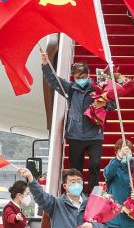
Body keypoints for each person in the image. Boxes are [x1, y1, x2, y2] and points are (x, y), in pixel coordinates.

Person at [41, 54, 115, 192]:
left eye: (83, 76)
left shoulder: (98, 88)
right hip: (75, 134)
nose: (80, 79)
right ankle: (77, 193)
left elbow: (113, 103)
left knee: (95, 163)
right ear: (73, 77)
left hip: (94, 134)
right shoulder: (70, 88)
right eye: (77, 77)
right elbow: (53, 81)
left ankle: (92, 191)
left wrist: (105, 103)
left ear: (88, 75)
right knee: (76, 168)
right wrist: (45, 65)